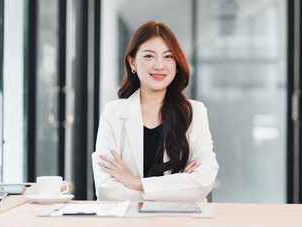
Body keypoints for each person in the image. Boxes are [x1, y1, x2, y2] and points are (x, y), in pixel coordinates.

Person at [92, 21, 219, 202]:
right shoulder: (113, 113)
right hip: (127, 223)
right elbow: (106, 189)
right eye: (149, 56)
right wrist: (177, 187)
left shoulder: (195, 112)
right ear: (132, 62)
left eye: (168, 57)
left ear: (176, 65)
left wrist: (136, 183)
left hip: (183, 222)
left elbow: (204, 180)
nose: (160, 65)